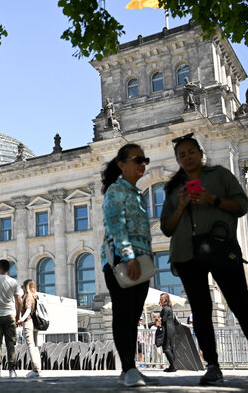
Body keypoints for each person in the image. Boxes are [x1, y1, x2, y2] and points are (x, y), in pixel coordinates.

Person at [159, 134, 248, 387]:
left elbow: (242, 206)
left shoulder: (219, 176)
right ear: (177, 160)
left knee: (242, 307)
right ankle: (212, 366)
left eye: (191, 152)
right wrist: (181, 206)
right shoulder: (172, 188)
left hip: (220, 248)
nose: (187, 157)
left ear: (200, 153)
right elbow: (166, 227)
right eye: (181, 154)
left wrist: (213, 200)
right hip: (187, 253)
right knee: (201, 312)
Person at [99, 143, 158, 387]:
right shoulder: (116, 190)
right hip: (123, 261)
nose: (143, 164)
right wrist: (128, 255)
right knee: (123, 314)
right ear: (122, 165)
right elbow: (115, 225)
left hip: (141, 263)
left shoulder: (137, 194)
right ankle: (128, 367)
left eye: (145, 160)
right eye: (137, 159)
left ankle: (129, 368)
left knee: (133, 316)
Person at [17, 279, 42, 378]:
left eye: (22, 287)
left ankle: (35, 369)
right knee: (35, 345)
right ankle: (38, 368)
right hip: (35, 323)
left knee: (31, 345)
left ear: (26, 287)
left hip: (28, 322)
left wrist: (21, 319)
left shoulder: (28, 296)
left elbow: (28, 310)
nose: (21, 289)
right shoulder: (35, 296)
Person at [159, 293, 178, 372]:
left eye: (161, 299)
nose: (160, 300)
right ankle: (172, 366)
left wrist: (156, 317)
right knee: (171, 347)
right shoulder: (169, 308)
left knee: (166, 348)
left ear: (165, 300)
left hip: (167, 329)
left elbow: (163, 320)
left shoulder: (165, 309)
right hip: (171, 329)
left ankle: (173, 366)